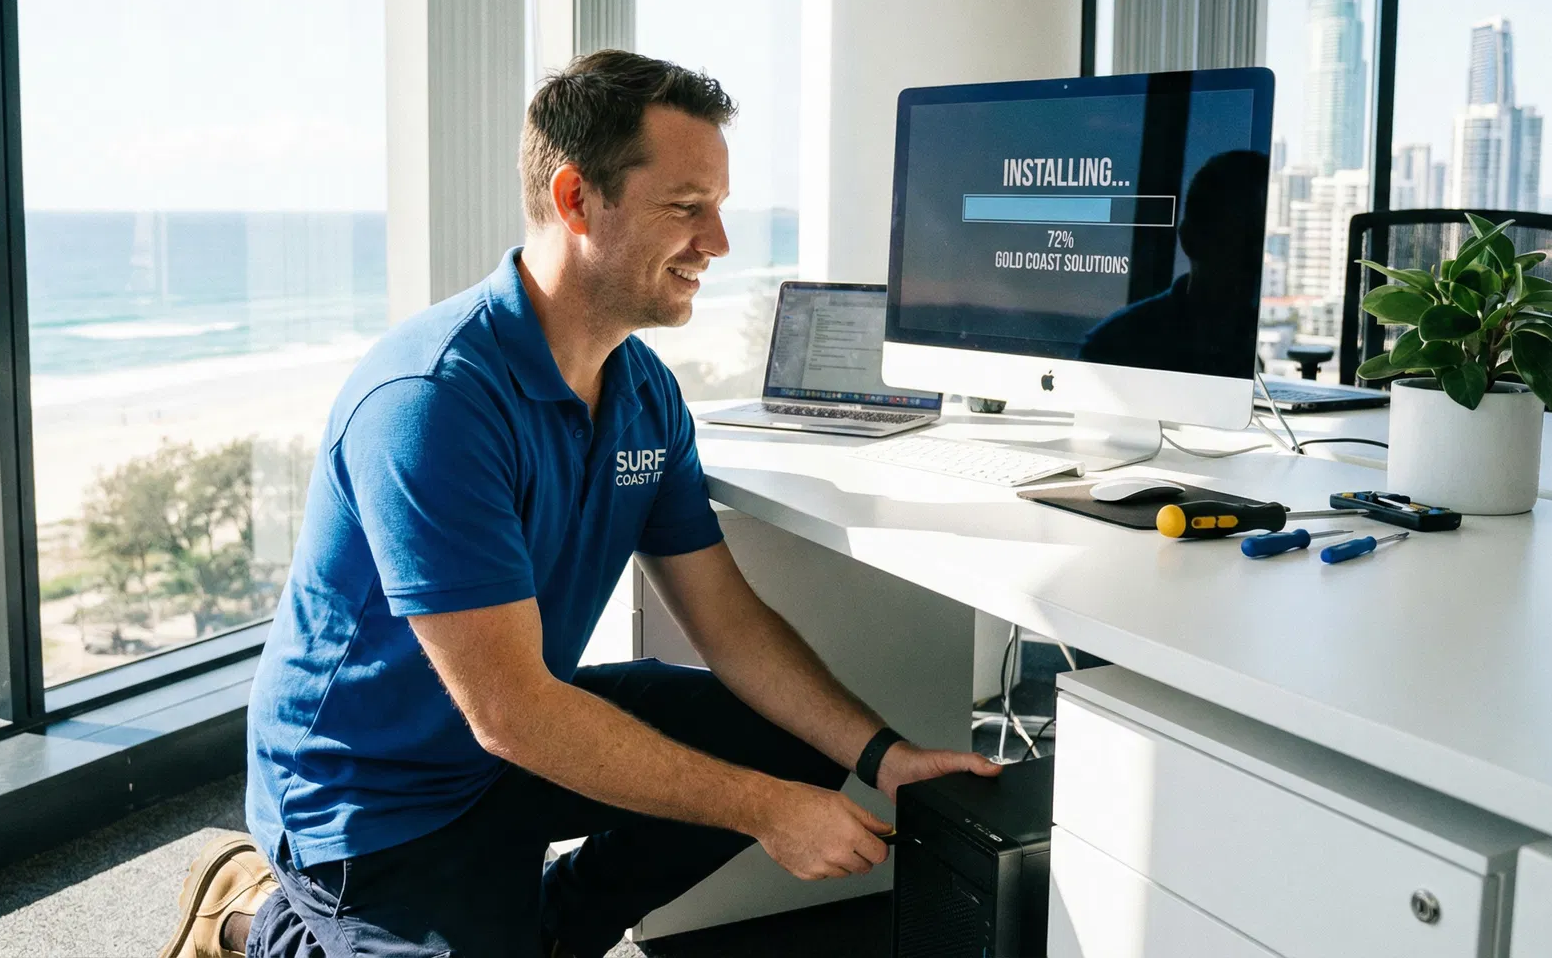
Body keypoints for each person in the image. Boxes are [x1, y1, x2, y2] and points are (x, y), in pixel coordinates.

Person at [158, 49, 999, 958]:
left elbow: (728, 619)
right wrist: (769, 813)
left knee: (786, 740)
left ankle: (524, 929)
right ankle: (251, 915)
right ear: (574, 199)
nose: (716, 243)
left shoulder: (641, 390)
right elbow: (511, 713)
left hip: (511, 739)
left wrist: (885, 758)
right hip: (371, 799)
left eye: (717, 209)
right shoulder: (432, 400)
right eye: (687, 208)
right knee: (744, 787)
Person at [1076, 149, 1270, 377]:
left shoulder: (1242, 338)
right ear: (1191, 240)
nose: (1251, 259)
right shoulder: (1115, 345)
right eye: (1238, 240)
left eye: (1258, 241)